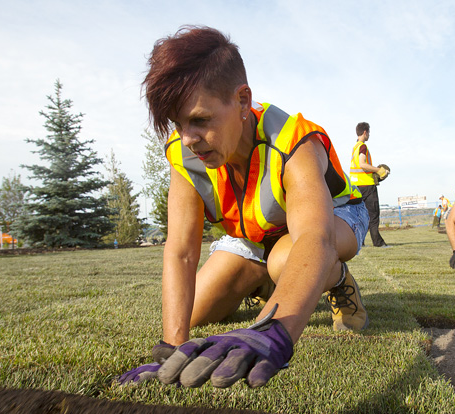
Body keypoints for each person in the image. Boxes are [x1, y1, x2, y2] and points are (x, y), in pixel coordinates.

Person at [119, 26, 370, 389]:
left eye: (200, 120)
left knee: (288, 260)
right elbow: (181, 252)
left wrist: (274, 331)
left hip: (337, 217)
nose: (187, 138)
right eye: (178, 123)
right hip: (258, 233)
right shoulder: (183, 154)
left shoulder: (293, 141)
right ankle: (269, 282)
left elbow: (315, 238)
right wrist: (173, 346)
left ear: (241, 100)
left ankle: (337, 279)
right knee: (197, 312)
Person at [349, 123, 389, 248]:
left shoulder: (355, 147)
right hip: (367, 185)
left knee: (361, 216)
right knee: (373, 215)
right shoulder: (363, 147)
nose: (369, 135)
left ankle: (360, 242)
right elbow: (362, 164)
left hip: (356, 186)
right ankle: (378, 243)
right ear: (365, 132)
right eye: (369, 133)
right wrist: (378, 171)